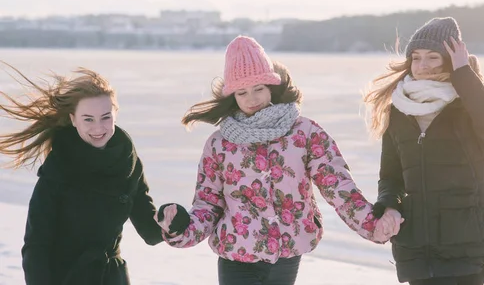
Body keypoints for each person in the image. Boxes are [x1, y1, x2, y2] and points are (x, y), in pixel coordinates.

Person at [154, 35, 398, 285]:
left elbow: (336, 185)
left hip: (287, 250)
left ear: (272, 85)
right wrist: (182, 228)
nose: (252, 99)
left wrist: (372, 224)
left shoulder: (304, 132)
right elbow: (208, 203)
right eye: (242, 92)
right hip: (236, 255)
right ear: (232, 95)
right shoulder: (219, 144)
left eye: (259, 88)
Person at [363, 17, 484, 285]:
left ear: (451, 58)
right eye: (416, 58)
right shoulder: (399, 109)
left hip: (466, 243)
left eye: (433, 57)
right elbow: (391, 176)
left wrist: (464, 73)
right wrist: (389, 206)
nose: (423, 66)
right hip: (416, 246)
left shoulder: (475, 98)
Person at [0, 63, 163, 285]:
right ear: (73, 119)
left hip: (110, 277)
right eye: (88, 119)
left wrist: (172, 219)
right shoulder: (57, 170)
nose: (98, 128)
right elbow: (36, 247)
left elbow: (151, 231)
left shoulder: (128, 162)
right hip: (65, 277)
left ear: (116, 114)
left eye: (106, 117)